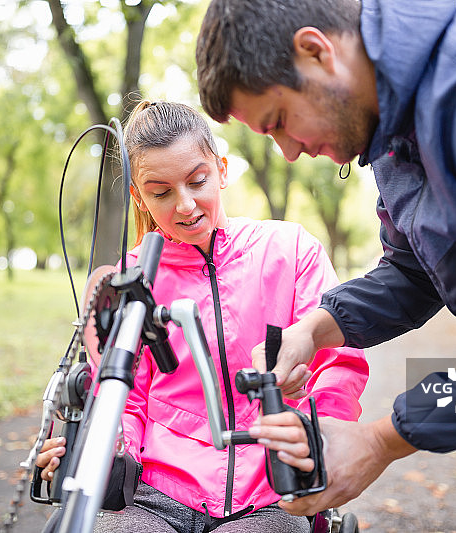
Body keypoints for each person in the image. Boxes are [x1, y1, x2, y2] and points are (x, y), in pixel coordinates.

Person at [195, 1, 456, 532]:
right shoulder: (391, 129)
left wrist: (379, 440)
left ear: (316, 52)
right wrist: (315, 328)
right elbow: (415, 270)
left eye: (280, 121)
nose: (288, 152)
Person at [35, 100, 368, 533]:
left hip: (268, 491)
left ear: (222, 170)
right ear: (139, 195)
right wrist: (98, 451)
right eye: (162, 192)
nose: (186, 205)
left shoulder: (290, 251)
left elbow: (338, 363)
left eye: (197, 181)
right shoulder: (129, 279)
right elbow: (126, 398)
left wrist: (317, 440)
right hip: (154, 494)